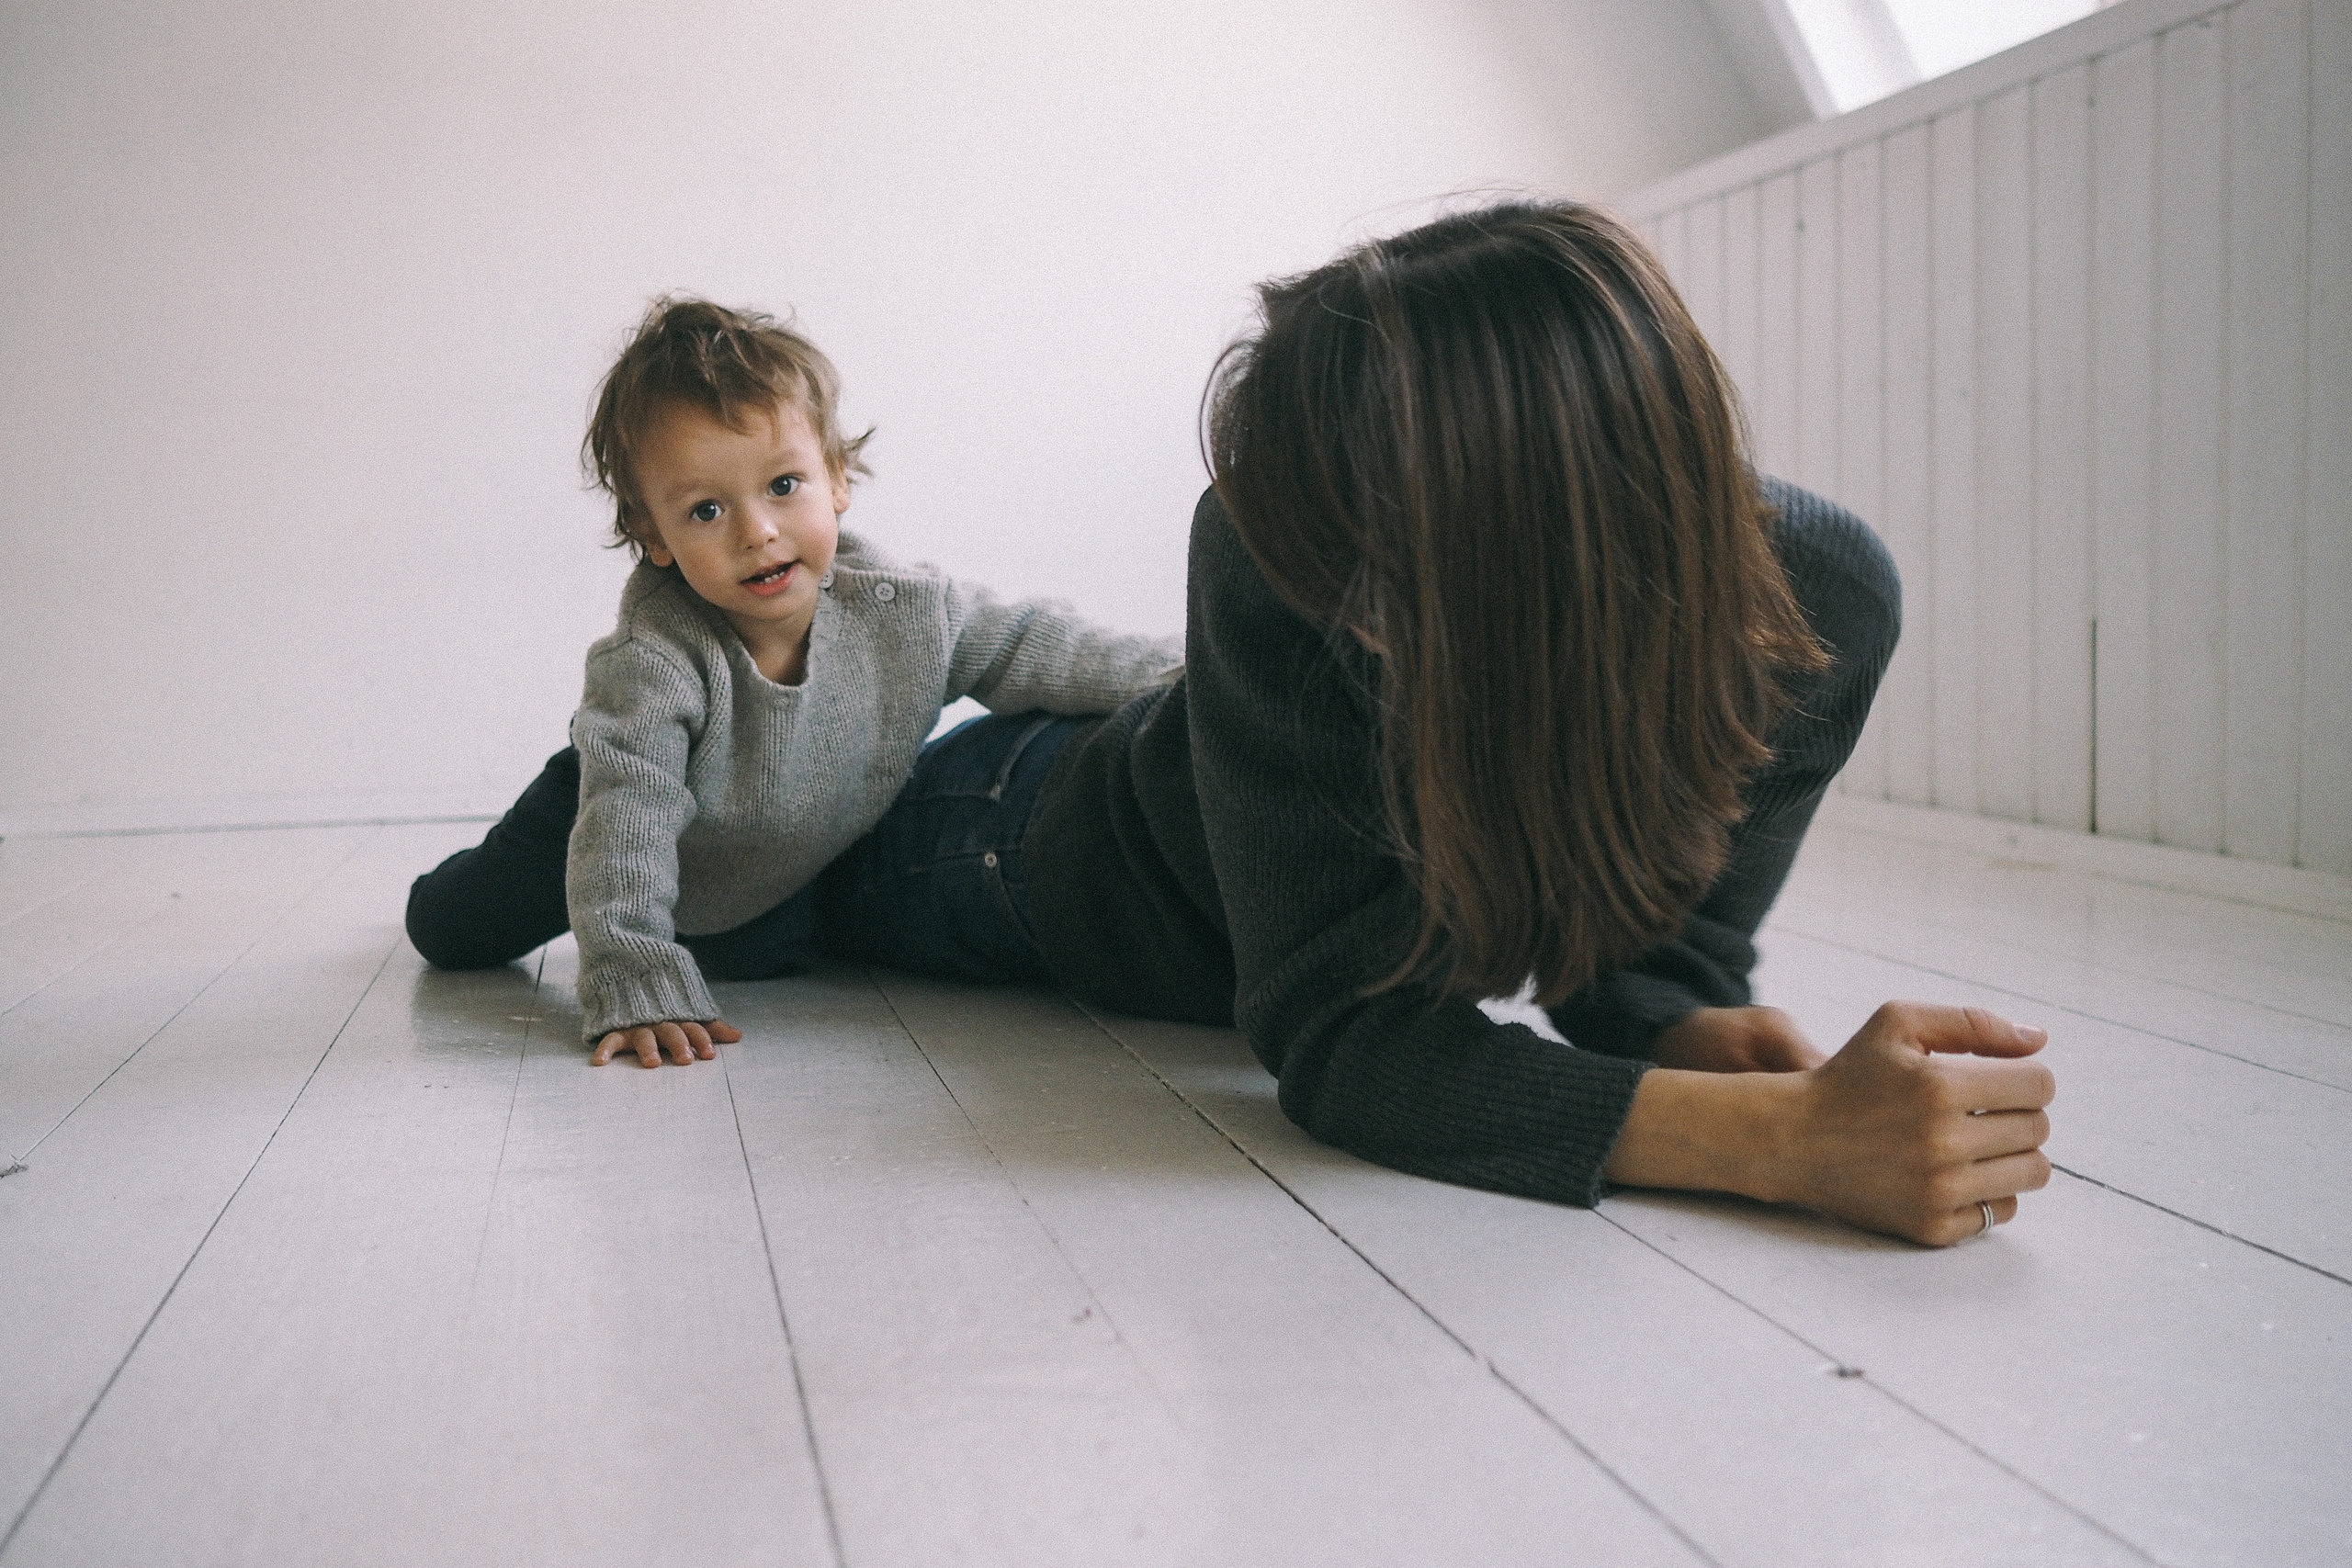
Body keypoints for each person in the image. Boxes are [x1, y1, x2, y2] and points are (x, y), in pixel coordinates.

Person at [863, 199, 2053, 1248]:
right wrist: (1779, 1140)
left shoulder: (1824, 605)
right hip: (1026, 837)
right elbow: (1345, 1032)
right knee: (785, 872)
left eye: (1381, 590)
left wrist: (1687, 1027)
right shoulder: (1267, 545)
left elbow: (1652, 958)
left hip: (1147, 846)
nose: (1352, 628)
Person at [403, 298, 1180, 1067]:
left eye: (782, 485)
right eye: (706, 509)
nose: (757, 531)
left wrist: (1190, 670)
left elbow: (1044, 647)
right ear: (654, 537)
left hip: (775, 856)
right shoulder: (654, 661)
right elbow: (626, 824)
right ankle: (446, 898)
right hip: (613, 805)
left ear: (837, 478)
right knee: (458, 930)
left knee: (762, 952)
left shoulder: (904, 612)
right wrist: (633, 970)